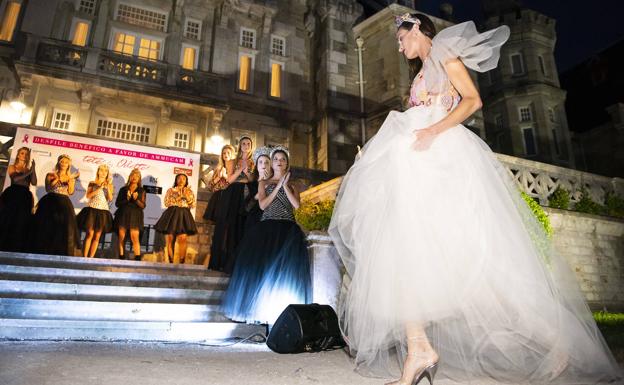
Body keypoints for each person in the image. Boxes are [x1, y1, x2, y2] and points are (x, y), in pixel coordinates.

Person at [328, 13, 622, 385]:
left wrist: (433, 129)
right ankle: (418, 347)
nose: (399, 46)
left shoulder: (445, 56)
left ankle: (559, 342)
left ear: (417, 30)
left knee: (486, 275)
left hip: (441, 162)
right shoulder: (421, 72)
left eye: (402, 39)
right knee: (402, 251)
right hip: (418, 167)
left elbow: (472, 100)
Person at [221, 146, 311, 325]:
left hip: (288, 230)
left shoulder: (294, 185)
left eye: (282, 159)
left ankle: (281, 314)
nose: (279, 161)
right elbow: (262, 205)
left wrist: (285, 185)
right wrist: (277, 185)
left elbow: (296, 206)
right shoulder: (264, 183)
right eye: (276, 159)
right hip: (267, 228)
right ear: (273, 162)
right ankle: (261, 312)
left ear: (286, 163)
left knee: (284, 273)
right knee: (264, 270)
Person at [209, 136, 255, 273]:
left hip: (247, 192)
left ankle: (238, 262)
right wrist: (240, 171)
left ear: (251, 146)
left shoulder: (254, 161)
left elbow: (252, 179)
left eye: (248, 143)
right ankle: (223, 261)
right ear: (240, 146)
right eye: (243, 143)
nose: (246, 145)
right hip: (232, 192)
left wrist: (246, 171)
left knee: (242, 225)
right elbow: (228, 180)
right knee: (227, 225)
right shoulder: (232, 161)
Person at [30, 154, 80, 256]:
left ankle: (58, 251)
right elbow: (48, 189)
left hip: (64, 203)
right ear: (58, 162)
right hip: (50, 201)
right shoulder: (50, 175)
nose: (64, 164)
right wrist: (59, 179)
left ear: (69, 165)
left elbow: (70, 192)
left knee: (62, 228)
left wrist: (70, 180)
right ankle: (44, 250)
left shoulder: (71, 177)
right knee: (47, 226)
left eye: (66, 162)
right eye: (62, 161)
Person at [0, 147, 37, 252]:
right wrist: (29, 173)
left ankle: (17, 246)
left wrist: (33, 170)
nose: (24, 155)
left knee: (22, 220)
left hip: (25, 196)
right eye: (22, 153)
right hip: (13, 195)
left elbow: (34, 182)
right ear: (18, 155)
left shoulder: (28, 169)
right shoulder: (13, 166)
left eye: (26, 154)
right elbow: (15, 179)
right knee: (8, 219)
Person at [155, 173, 197, 264]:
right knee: (170, 238)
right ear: (176, 180)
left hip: (184, 214)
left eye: (183, 179)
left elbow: (192, 204)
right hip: (172, 214)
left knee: (183, 238)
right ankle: (171, 262)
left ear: (186, 181)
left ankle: (181, 262)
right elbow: (166, 203)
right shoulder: (170, 190)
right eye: (179, 178)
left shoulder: (189, 191)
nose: (181, 180)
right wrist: (178, 197)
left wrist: (185, 196)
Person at [76, 165, 114, 258]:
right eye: (101, 170)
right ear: (98, 171)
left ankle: (91, 258)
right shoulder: (92, 183)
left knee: (97, 236)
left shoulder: (110, 185)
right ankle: (84, 257)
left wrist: (108, 186)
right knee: (90, 234)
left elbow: (110, 198)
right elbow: (88, 196)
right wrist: (99, 188)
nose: (103, 172)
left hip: (103, 212)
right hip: (92, 210)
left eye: (106, 171)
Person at [114, 168, 145, 260]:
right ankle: (121, 256)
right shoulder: (123, 189)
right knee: (121, 237)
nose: (135, 177)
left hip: (135, 215)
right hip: (123, 214)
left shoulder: (141, 190)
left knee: (134, 236)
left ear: (139, 178)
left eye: (137, 176)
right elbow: (117, 204)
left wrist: (136, 200)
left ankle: (137, 257)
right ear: (130, 177)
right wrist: (126, 199)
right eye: (133, 175)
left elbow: (143, 205)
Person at [203, 144, 236, 223]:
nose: (226, 155)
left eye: (228, 153)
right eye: (224, 153)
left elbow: (235, 184)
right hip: (217, 197)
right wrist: (218, 178)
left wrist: (224, 176)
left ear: (232, 154)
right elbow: (210, 186)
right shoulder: (219, 168)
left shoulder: (235, 168)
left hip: (228, 197)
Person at [244, 146, 272, 232]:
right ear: (257, 166)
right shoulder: (250, 185)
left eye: (266, 162)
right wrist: (256, 196)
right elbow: (246, 209)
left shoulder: (275, 184)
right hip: (253, 225)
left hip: (269, 224)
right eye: (260, 162)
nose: (263, 165)